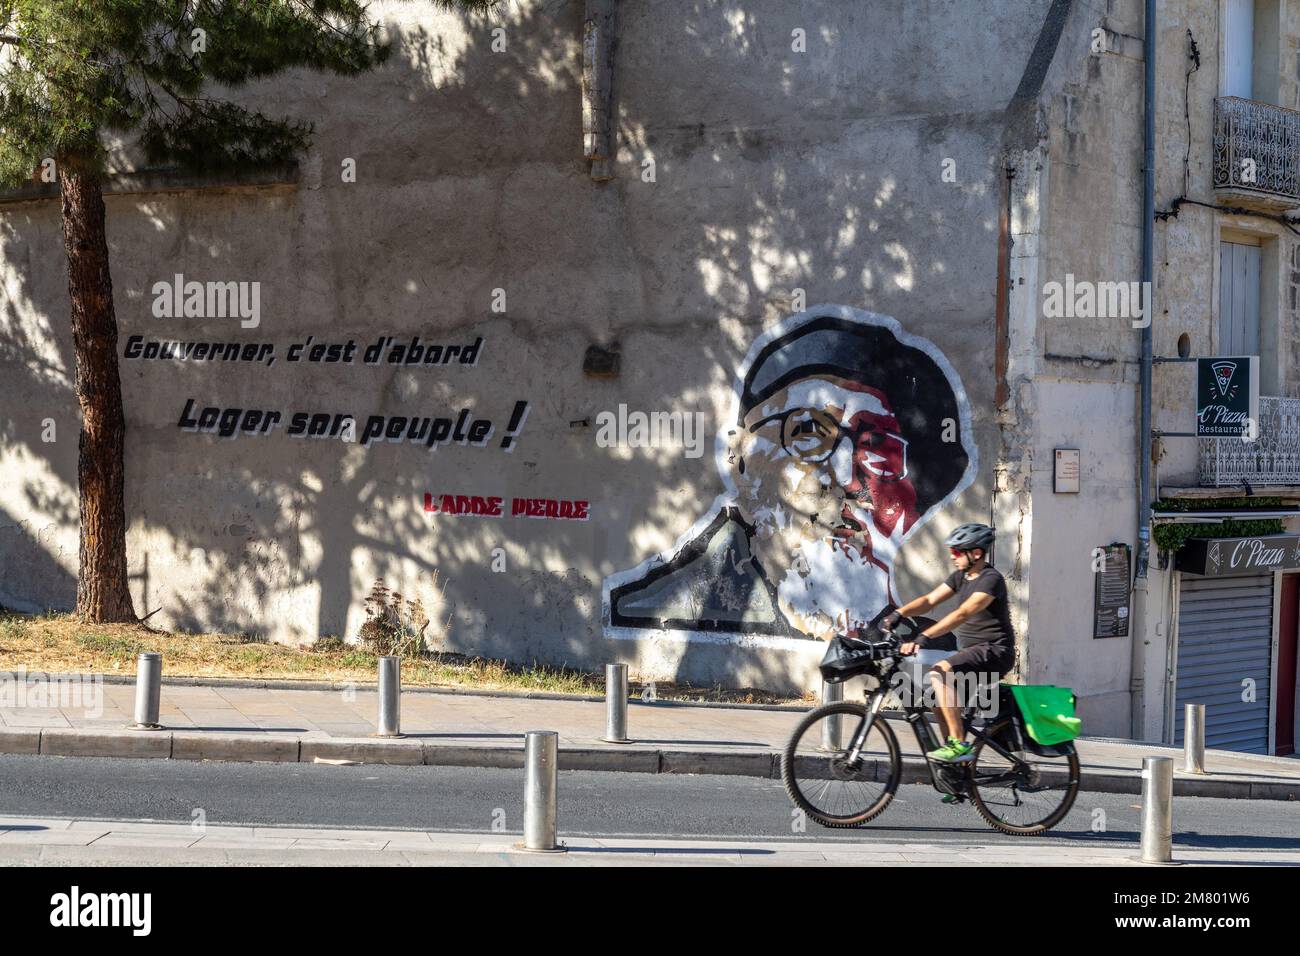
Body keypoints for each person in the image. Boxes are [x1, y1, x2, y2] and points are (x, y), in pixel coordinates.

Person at [605, 309, 976, 644]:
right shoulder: (648, 606)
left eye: (878, 447)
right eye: (809, 432)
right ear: (740, 458)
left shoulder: (922, 646)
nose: (846, 474)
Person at [884, 522, 1015, 762]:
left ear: (975, 553)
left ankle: (958, 744)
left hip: (995, 651)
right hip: (972, 651)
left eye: (957, 551)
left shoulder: (990, 579)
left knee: (940, 672)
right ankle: (955, 769)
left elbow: (963, 613)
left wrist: (924, 636)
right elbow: (929, 600)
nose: (952, 556)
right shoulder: (960, 577)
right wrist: (899, 613)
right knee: (935, 697)